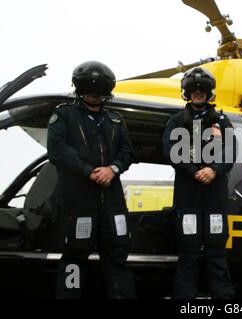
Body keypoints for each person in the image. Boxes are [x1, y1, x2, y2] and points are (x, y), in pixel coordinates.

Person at [47, 61, 136, 298]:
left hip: (112, 204)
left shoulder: (115, 119)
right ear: (80, 88)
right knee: (75, 258)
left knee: (117, 258)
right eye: (90, 89)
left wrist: (113, 169)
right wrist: (89, 171)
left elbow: (127, 153)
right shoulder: (64, 115)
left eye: (99, 91)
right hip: (78, 203)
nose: (95, 95)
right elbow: (57, 150)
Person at [162, 67, 236, 299]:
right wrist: (194, 171)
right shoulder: (176, 121)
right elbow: (170, 151)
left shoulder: (222, 121)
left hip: (215, 199)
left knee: (217, 253)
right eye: (194, 91)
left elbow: (231, 151)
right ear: (187, 94)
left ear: (209, 93)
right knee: (188, 253)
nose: (198, 95)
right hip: (188, 199)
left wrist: (214, 170)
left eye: (202, 91)